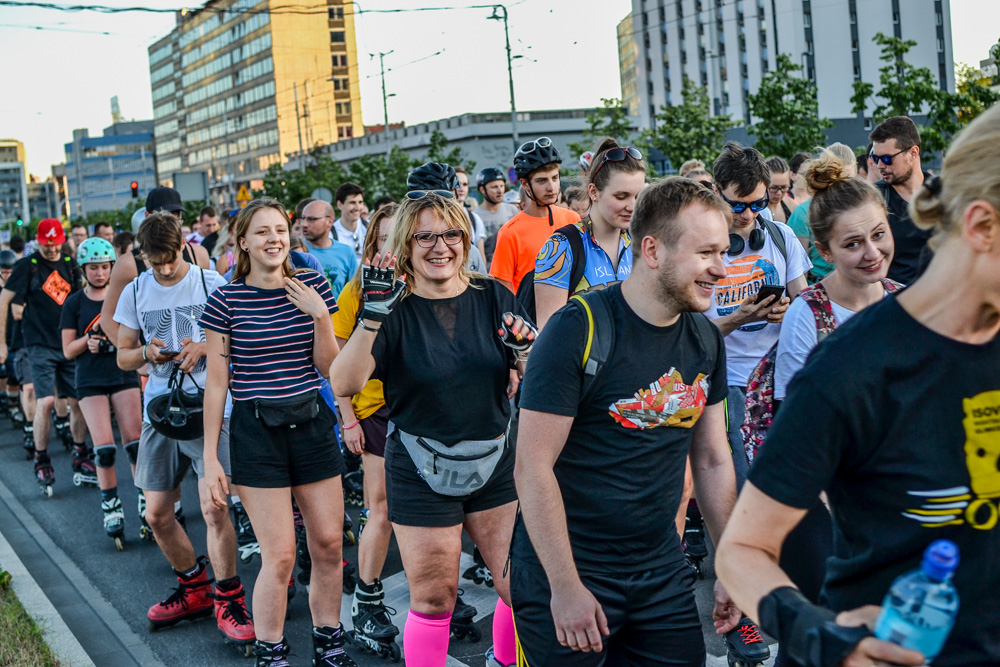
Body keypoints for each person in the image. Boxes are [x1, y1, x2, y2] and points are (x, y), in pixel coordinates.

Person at [716, 98, 1000, 667]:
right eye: (853, 242)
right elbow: (744, 549)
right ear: (982, 227)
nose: (870, 252)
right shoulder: (853, 364)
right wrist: (825, 638)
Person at [512, 177, 744, 664]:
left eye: (724, 252)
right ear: (653, 250)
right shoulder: (577, 328)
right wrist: (565, 586)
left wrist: (731, 563)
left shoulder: (706, 337)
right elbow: (532, 467)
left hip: (660, 573)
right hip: (570, 570)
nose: (721, 270)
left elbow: (712, 459)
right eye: (706, 253)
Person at [330, 191, 535, 667]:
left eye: (450, 234)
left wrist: (525, 354)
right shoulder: (391, 308)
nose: (440, 246)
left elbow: (527, 365)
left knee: (515, 586)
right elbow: (344, 380)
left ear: (465, 240)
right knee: (434, 598)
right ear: (406, 245)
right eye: (425, 236)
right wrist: (373, 316)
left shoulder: (493, 296)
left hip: (496, 462)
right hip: (419, 468)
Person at [199, 198, 355, 666]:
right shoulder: (225, 299)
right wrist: (210, 460)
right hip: (255, 430)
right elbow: (216, 385)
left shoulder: (311, 285)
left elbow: (330, 368)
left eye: (281, 231)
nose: (274, 239)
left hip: (310, 422)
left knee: (328, 544)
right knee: (281, 555)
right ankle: (271, 651)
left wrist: (322, 316)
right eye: (262, 232)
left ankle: (329, 644)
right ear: (243, 242)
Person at [762, 149, 900, 667]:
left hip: (886, 499)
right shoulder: (808, 312)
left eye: (879, 235)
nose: (871, 253)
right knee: (819, 634)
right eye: (852, 243)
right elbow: (791, 420)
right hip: (819, 501)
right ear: (823, 249)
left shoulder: (905, 302)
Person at [113, 213, 253, 650]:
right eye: (156, 263)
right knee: (156, 514)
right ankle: (193, 587)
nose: (166, 269)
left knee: (215, 509)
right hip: (163, 408)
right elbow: (122, 357)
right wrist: (146, 352)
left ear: (184, 248)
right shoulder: (136, 289)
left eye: (171, 259)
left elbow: (241, 337)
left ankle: (229, 598)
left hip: (214, 409)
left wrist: (203, 345)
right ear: (143, 257)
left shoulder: (211, 282)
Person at [704, 142, 810, 487]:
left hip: (782, 380)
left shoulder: (782, 237)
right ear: (716, 192)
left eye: (758, 205)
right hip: (728, 384)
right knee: (741, 486)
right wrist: (739, 318)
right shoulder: (699, 249)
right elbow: (688, 334)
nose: (748, 216)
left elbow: (808, 306)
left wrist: (788, 311)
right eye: (737, 205)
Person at [331, 204, 401, 657]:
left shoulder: (429, 283)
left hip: (423, 407)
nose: (393, 249)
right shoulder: (357, 291)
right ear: (372, 243)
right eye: (386, 240)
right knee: (383, 509)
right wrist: (348, 418)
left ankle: (443, 596)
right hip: (375, 409)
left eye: (403, 238)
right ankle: (367, 600)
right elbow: (338, 365)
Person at [60, 237, 142, 548]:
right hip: (90, 378)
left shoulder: (124, 297)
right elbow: (68, 350)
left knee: (134, 445)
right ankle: (111, 507)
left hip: (121, 374)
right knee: (104, 449)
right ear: (83, 269)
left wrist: (114, 342)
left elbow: (135, 339)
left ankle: (146, 502)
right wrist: (88, 342)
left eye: (104, 267)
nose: (99, 273)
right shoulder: (74, 303)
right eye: (93, 268)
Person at [0, 218, 87, 494]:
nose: (51, 249)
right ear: (38, 241)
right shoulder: (27, 266)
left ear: (62, 240)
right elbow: (4, 299)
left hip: (67, 342)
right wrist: (1, 343)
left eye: (55, 244)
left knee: (76, 400)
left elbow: (82, 298)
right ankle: (41, 456)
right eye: (46, 244)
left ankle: (80, 452)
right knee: (47, 400)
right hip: (38, 343)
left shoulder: (71, 265)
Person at [533, 139, 644, 330]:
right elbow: (548, 336)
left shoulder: (641, 243)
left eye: (637, 196)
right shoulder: (561, 246)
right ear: (594, 192)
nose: (632, 206)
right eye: (621, 196)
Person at [100, 186, 211, 351]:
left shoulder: (198, 255)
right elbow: (108, 318)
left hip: (198, 366)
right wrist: (140, 356)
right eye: (163, 215)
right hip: (155, 365)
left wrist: (204, 349)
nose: (169, 222)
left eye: (175, 216)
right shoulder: (127, 264)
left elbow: (214, 317)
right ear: (147, 217)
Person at [490, 137, 581, 293]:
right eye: (541, 181)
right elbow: (503, 292)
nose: (551, 187)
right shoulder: (510, 233)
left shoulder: (573, 219)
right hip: (531, 315)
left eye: (555, 178)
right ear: (525, 184)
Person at [869, 116, 933, 284]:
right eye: (876, 158)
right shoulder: (873, 198)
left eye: (887, 158)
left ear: (913, 153)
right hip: (895, 300)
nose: (880, 166)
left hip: (943, 300)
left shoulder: (944, 192)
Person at [786, 143, 856, 283]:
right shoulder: (803, 213)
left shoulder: (859, 209)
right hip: (819, 292)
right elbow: (797, 271)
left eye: (850, 181)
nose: (845, 188)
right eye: (839, 181)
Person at [405, 162, 487, 273]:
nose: (441, 248)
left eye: (448, 201)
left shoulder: (471, 252)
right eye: (426, 237)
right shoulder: (399, 253)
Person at [300, 199, 359, 298]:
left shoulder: (346, 252)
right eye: (303, 218)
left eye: (312, 219)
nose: (304, 224)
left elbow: (354, 293)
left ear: (329, 221)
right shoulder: (296, 251)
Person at [475, 167, 520, 262]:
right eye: (494, 187)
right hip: (490, 272)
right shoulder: (475, 216)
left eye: (501, 186)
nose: (500, 191)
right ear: (482, 189)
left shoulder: (512, 210)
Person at [453, 166, 488, 260]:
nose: (461, 188)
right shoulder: (439, 217)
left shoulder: (474, 218)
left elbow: (481, 256)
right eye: (457, 184)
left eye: (465, 184)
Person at [334, 183, 368, 260]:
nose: (358, 207)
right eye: (352, 203)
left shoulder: (370, 227)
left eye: (360, 202)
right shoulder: (331, 233)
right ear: (339, 205)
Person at [765, 157, 798, 223]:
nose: (779, 193)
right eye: (774, 188)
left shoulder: (791, 206)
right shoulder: (755, 209)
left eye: (784, 187)